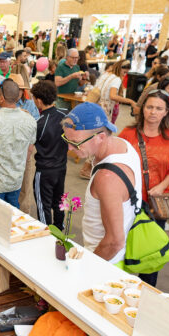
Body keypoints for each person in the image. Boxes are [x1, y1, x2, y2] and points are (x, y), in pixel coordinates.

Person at [118, 89, 169, 285]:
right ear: (142, 109)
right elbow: (116, 163)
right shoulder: (127, 134)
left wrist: (162, 186)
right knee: (123, 247)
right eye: (150, 107)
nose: (153, 112)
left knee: (151, 253)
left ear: (166, 112)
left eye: (159, 108)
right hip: (129, 203)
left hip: (156, 205)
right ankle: (120, 285)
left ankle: (147, 289)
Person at [64, 102, 142, 264]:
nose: (70, 148)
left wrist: (89, 266)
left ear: (100, 137)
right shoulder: (123, 145)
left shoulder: (107, 177)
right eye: (66, 139)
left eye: (76, 142)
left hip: (106, 262)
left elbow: (115, 242)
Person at [31, 80, 68, 228]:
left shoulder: (39, 123)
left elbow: (30, 145)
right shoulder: (66, 114)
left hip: (44, 171)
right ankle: (60, 228)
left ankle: (46, 233)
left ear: (39, 101)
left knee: (43, 205)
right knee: (59, 200)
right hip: (61, 167)